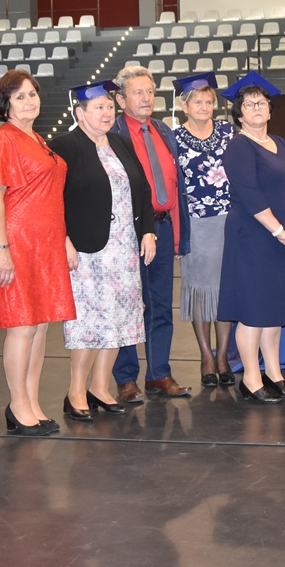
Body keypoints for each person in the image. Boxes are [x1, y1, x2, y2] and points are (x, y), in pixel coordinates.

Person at [50, 81, 157, 421]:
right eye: (98, 107)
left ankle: (99, 388)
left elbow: (142, 189)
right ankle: (75, 392)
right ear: (79, 113)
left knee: (119, 320)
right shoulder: (64, 146)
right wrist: (63, 239)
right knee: (89, 323)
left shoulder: (121, 143)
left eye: (110, 106)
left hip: (124, 249)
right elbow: (52, 199)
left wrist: (148, 231)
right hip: (88, 251)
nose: (107, 113)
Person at [0, 70, 76, 436]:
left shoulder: (35, 138)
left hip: (45, 244)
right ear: (5, 104)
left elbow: (49, 197)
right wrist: (1, 250)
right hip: (18, 242)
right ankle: (17, 405)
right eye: (20, 96)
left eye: (32, 94)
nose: (29, 101)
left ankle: (31, 402)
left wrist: (63, 238)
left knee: (38, 326)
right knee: (22, 327)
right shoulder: (5, 139)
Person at [217, 72, 285, 403]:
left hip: (284, 238)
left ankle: (274, 373)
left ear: (271, 109)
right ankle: (251, 378)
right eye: (249, 104)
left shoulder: (280, 143)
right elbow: (251, 194)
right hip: (253, 238)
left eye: (261, 102)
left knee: (274, 310)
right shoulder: (239, 147)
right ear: (239, 114)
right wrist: (278, 230)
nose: (256, 107)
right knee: (254, 311)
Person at [110, 65, 192, 401]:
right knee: (128, 305)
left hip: (163, 226)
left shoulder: (163, 130)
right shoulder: (112, 134)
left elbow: (175, 184)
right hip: (127, 232)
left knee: (160, 305)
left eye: (150, 91)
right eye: (138, 92)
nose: (146, 98)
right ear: (120, 99)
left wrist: (178, 233)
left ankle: (159, 373)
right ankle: (126, 378)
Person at [173, 72, 236, 388]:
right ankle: (205, 356)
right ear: (184, 106)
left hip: (230, 221)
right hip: (195, 224)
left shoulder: (228, 131)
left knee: (226, 290)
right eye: (197, 101)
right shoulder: (174, 139)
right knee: (200, 291)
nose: (204, 106)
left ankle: (222, 355)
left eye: (209, 101)